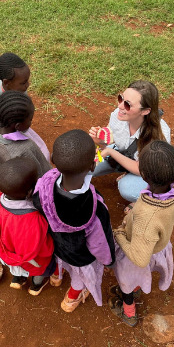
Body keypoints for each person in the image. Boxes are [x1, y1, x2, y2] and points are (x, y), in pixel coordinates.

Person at [32, 129, 116, 312]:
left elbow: (37, 202)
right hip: (79, 257)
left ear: (53, 159)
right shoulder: (95, 208)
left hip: (56, 245)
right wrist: (108, 261)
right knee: (80, 278)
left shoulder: (44, 185)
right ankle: (71, 299)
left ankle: (56, 277)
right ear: (93, 166)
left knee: (58, 262)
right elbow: (100, 242)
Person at [109, 141, 174, 326]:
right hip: (158, 247)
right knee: (134, 278)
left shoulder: (147, 217)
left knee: (126, 280)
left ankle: (129, 312)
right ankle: (136, 287)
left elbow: (139, 259)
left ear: (143, 175)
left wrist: (119, 235)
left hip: (137, 253)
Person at [88, 80, 171, 204]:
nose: (120, 106)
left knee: (127, 188)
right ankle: (127, 172)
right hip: (125, 154)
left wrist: (110, 151)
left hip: (148, 171)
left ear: (145, 111)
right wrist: (100, 141)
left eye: (128, 104)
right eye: (120, 99)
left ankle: (149, 197)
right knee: (87, 165)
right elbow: (113, 140)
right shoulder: (119, 115)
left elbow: (142, 169)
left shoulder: (159, 136)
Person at [0, 157, 56, 295]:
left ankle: (18, 278)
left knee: (17, 266)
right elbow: (44, 246)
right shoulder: (35, 218)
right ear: (30, 191)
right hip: (33, 258)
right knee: (43, 268)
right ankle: (35, 286)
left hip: (9, 252)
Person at [0, 90, 51, 178]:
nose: (31, 122)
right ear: (18, 126)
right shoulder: (25, 149)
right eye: (30, 119)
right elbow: (38, 174)